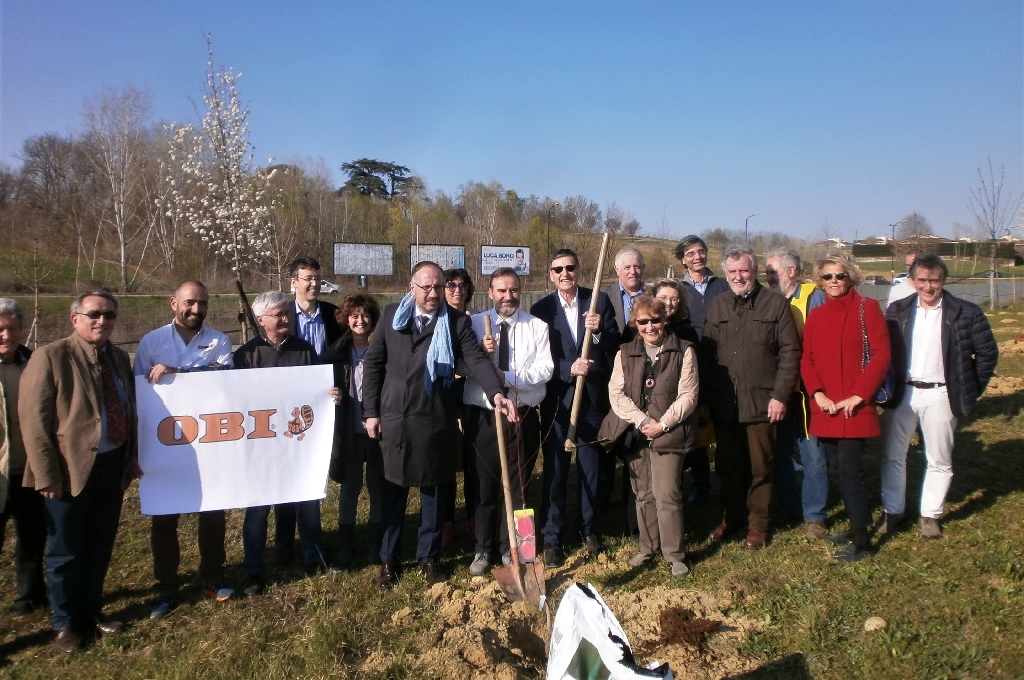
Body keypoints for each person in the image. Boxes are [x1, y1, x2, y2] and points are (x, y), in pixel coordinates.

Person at [362, 262, 517, 589]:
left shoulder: (457, 322)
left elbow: (475, 359)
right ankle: (389, 561)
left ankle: (428, 559)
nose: (433, 293)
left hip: (433, 421)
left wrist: (497, 393)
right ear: (412, 287)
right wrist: (371, 412)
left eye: (438, 287)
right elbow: (374, 365)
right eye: (426, 287)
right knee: (393, 493)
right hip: (395, 420)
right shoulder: (392, 316)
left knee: (433, 495)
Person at [20, 291, 141, 653]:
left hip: (111, 466)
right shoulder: (50, 357)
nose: (102, 321)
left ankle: (91, 610)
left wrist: (129, 457)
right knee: (65, 551)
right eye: (94, 314)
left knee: (99, 546)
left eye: (108, 315)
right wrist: (46, 475)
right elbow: (34, 422)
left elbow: (129, 411)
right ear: (76, 318)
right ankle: (64, 623)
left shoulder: (118, 358)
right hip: (69, 471)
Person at [133, 281, 235, 618]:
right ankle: (166, 588)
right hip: (164, 445)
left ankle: (212, 577)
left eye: (202, 304)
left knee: (213, 512)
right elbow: (139, 397)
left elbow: (224, 380)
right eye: (190, 303)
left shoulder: (219, 340)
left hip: (208, 443)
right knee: (164, 518)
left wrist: (180, 374)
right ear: (173, 303)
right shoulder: (152, 342)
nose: (196, 309)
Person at [879, 253, 998, 539]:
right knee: (893, 455)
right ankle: (893, 510)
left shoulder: (966, 313)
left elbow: (987, 354)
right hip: (904, 394)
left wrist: (968, 388)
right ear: (913, 280)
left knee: (939, 458)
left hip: (941, 394)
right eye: (922, 280)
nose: (928, 287)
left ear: (943, 280)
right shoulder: (898, 310)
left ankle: (930, 514)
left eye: (934, 281)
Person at [234, 290, 334, 596]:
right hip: (260, 447)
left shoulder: (304, 351)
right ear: (260, 319)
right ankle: (253, 569)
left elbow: (318, 390)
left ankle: (312, 557)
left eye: (286, 313)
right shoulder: (246, 356)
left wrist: (330, 396)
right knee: (258, 510)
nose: (285, 319)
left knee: (307, 500)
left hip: (298, 443)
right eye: (278, 315)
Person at [702, 246, 800, 550]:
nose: (738, 277)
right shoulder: (717, 306)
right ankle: (732, 517)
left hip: (762, 401)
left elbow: (790, 352)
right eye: (732, 272)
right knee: (729, 465)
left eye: (743, 270)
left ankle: (758, 524)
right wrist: (706, 398)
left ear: (754, 271)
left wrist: (780, 395)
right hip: (726, 403)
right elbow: (706, 355)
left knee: (761, 466)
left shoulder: (775, 304)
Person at [530, 249, 620, 567]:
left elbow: (615, 345)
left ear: (579, 271)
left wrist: (599, 332)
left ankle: (588, 528)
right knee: (555, 472)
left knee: (590, 471)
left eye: (570, 267)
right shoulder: (540, 310)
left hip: (592, 400)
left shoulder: (599, 301)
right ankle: (552, 537)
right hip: (559, 402)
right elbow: (537, 360)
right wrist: (569, 367)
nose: (565, 273)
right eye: (558, 269)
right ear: (551, 275)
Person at [600, 296, 699, 578]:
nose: (650, 327)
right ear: (636, 324)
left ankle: (674, 554)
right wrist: (643, 421)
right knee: (642, 494)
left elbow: (689, 395)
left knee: (667, 494)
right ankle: (648, 547)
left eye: (655, 320)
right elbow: (616, 393)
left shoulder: (683, 350)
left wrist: (663, 424)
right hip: (637, 431)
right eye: (643, 322)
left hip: (670, 432)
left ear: (665, 320)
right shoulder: (625, 352)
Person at [800, 253, 891, 562]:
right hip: (826, 409)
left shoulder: (868, 309)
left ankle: (863, 542)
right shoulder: (817, 316)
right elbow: (807, 359)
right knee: (836, 470)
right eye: (827, 276)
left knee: (851, 473)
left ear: (851, 277)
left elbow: (881, 355)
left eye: (840, 275)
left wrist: (859, 395)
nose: (834, 281)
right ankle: (856, 526)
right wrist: (817, 394)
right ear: (819, 281)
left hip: (854, 408)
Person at [465, 267, 553, 575]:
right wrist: (483, 356)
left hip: (522, 415)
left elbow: (545, 370)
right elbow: (463, 365)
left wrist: (509, 377)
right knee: (484, 485)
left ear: (520, 290)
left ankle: (516, 546)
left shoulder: (536, 327)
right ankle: (483, 548)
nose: (508, 296)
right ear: (490, 293)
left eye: (513, 290)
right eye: (501, 290)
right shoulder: (474, 324)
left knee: (520, 484)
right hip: (485, 417)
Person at [278, 257, 344, 565]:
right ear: (293, 282)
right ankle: (283, 545)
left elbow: (343, 358)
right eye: (307, 278)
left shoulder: (333, 315)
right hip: (286, 407)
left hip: (324, 404)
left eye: (317, 278)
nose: (313, 283)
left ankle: (312, 548)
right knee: (285, 472)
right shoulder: (282, 315)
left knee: (311, 474)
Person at [765, 249, 829, 537]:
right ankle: (789, 506)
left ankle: (815, 514)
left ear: (791, 272)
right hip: (779, 388)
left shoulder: (813, 297)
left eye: (772, 272)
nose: (767, 278)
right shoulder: (769, 300)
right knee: (779, 452)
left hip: (805, 390)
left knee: (812, 452)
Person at [322, 294, 384, 569]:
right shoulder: (335, 352)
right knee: (349, 489)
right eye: (355, 316)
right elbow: (321, 386)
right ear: (346, 320)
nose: (360, 321)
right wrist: (331, 393)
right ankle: (346, 545)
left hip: (377, 430)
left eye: (365, 315)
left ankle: (375, 544)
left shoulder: (382, 349)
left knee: (377, 487)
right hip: (347, 430)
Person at [0, 299, 47, 617]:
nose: (6, 334)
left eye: (12, 328)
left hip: (29, 468)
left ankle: (29, 597)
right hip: (0, 471)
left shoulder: (34, 362)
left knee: (32, 537)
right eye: (0, 329)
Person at [675, 235, 730, 505]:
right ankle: (700, 483)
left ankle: (729, 481)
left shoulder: (722, 285)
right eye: (691, 253)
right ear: (683, 259)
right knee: (695, 429)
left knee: (725, 428)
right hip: (692, 367)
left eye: (701, 252)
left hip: (724, 366)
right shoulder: (678, 291)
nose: (697, 257)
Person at [601, 247, 649, 538]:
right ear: (617, 270)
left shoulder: (652, 296)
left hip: (645, 382)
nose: (633, 271)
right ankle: (606, 501)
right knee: (610, 441)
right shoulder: (603, 296)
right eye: (627, 267)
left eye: (637, 266)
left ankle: (636, 507)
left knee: (637, 448)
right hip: (611, 378)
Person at [442, 267, 478, 546]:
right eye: (450, 285)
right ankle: (446, 520)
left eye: (462, 285)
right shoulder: (439, 321)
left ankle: (474, 517)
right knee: (446, 462)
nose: (457, 290)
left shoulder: (476, 321)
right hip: (444, 400)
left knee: (473, 462)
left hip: (472, 397)